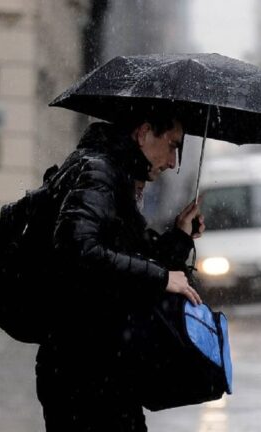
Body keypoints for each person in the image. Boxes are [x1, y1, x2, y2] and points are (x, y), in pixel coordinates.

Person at [35, 111, 205, 432]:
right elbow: (78, 249)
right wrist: (163, 278)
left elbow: (125, 261)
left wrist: (180, 238)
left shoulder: (119, 177)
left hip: (100, 366)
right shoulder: (100, 173)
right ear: (143, 133)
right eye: (172, 146)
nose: (172, 161)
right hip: (83, 371)